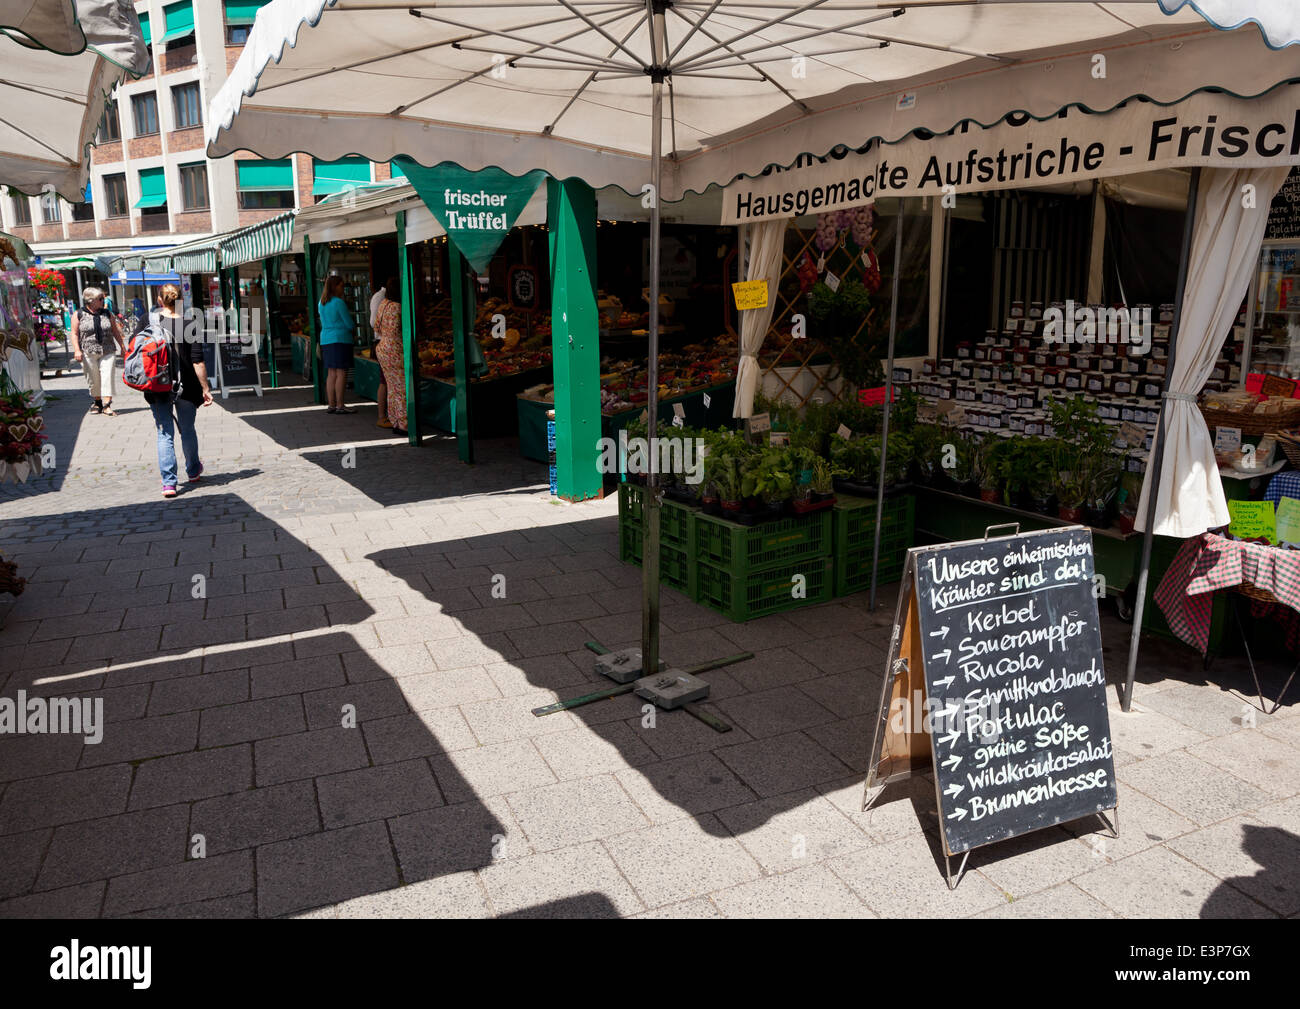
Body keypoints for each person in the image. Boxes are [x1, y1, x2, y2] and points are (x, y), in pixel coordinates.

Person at [145, 284, 212, 498]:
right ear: (180, 300)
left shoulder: (148, 322)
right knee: (188, 429)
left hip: (157, 384)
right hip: (186, 386)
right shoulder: (189, 323)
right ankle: (193, 471)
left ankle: (169, 483)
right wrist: (205, 388)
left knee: (165, 432)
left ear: (159, 300)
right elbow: (197, 360)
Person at [69, 286, 126, 416]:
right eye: (100, 299)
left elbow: (115, 331)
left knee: (107, 377)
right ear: (90, 301)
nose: (103, 301)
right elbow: (74, 334)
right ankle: (97, 402)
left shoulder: (107, 313)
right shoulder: (79, 314)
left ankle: (107, 405)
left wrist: (123, 348)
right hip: (87, 351)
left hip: (108, 349)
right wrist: (77, 350)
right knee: (93, 379)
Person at [373, 276, 407, 434]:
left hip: (382, 347)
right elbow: (400, 331)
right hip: (394, 348)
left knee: (392, 387)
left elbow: (376, 327)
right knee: (401, 388)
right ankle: (403, 424)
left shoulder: (383, 304)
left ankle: (394, 420)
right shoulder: (398, 307)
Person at [318, 274, 356, 414]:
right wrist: (354, 327)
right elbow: (348, 323)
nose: (343, 288)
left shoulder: (321, 303)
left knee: (331, 373)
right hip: (340, 339)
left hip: (326, 340)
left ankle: (331, 404)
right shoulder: (339, 303)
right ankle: (340, 405)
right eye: (342, 285)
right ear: (336, 287)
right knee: (341, 373)